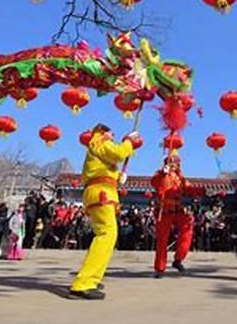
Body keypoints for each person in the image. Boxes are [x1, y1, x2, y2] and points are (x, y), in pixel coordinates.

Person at [69, 124, 138, 300]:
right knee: (106, 235)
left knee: (106, 236)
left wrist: (116, 177)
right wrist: (128, 141)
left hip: (102, 191)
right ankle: (84, 282)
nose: (112, 136)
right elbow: (119, 153)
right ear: (103, 131)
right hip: (100, 193)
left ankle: (92, 278)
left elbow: (109, 162)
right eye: (111, 133)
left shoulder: (98, 147)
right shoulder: (100, 140)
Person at [150, 152, 205, 278]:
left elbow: (190, 189)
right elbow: (154, 183)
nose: (174, 164)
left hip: (177, 209)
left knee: (188, 226)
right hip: (163, 210)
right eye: (171, 161)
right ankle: (160, 268)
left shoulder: (181, 179)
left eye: (176, 162)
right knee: (162, 240)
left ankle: (178, 259)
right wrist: (163, 174)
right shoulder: (160, 175)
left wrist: (204, 191)